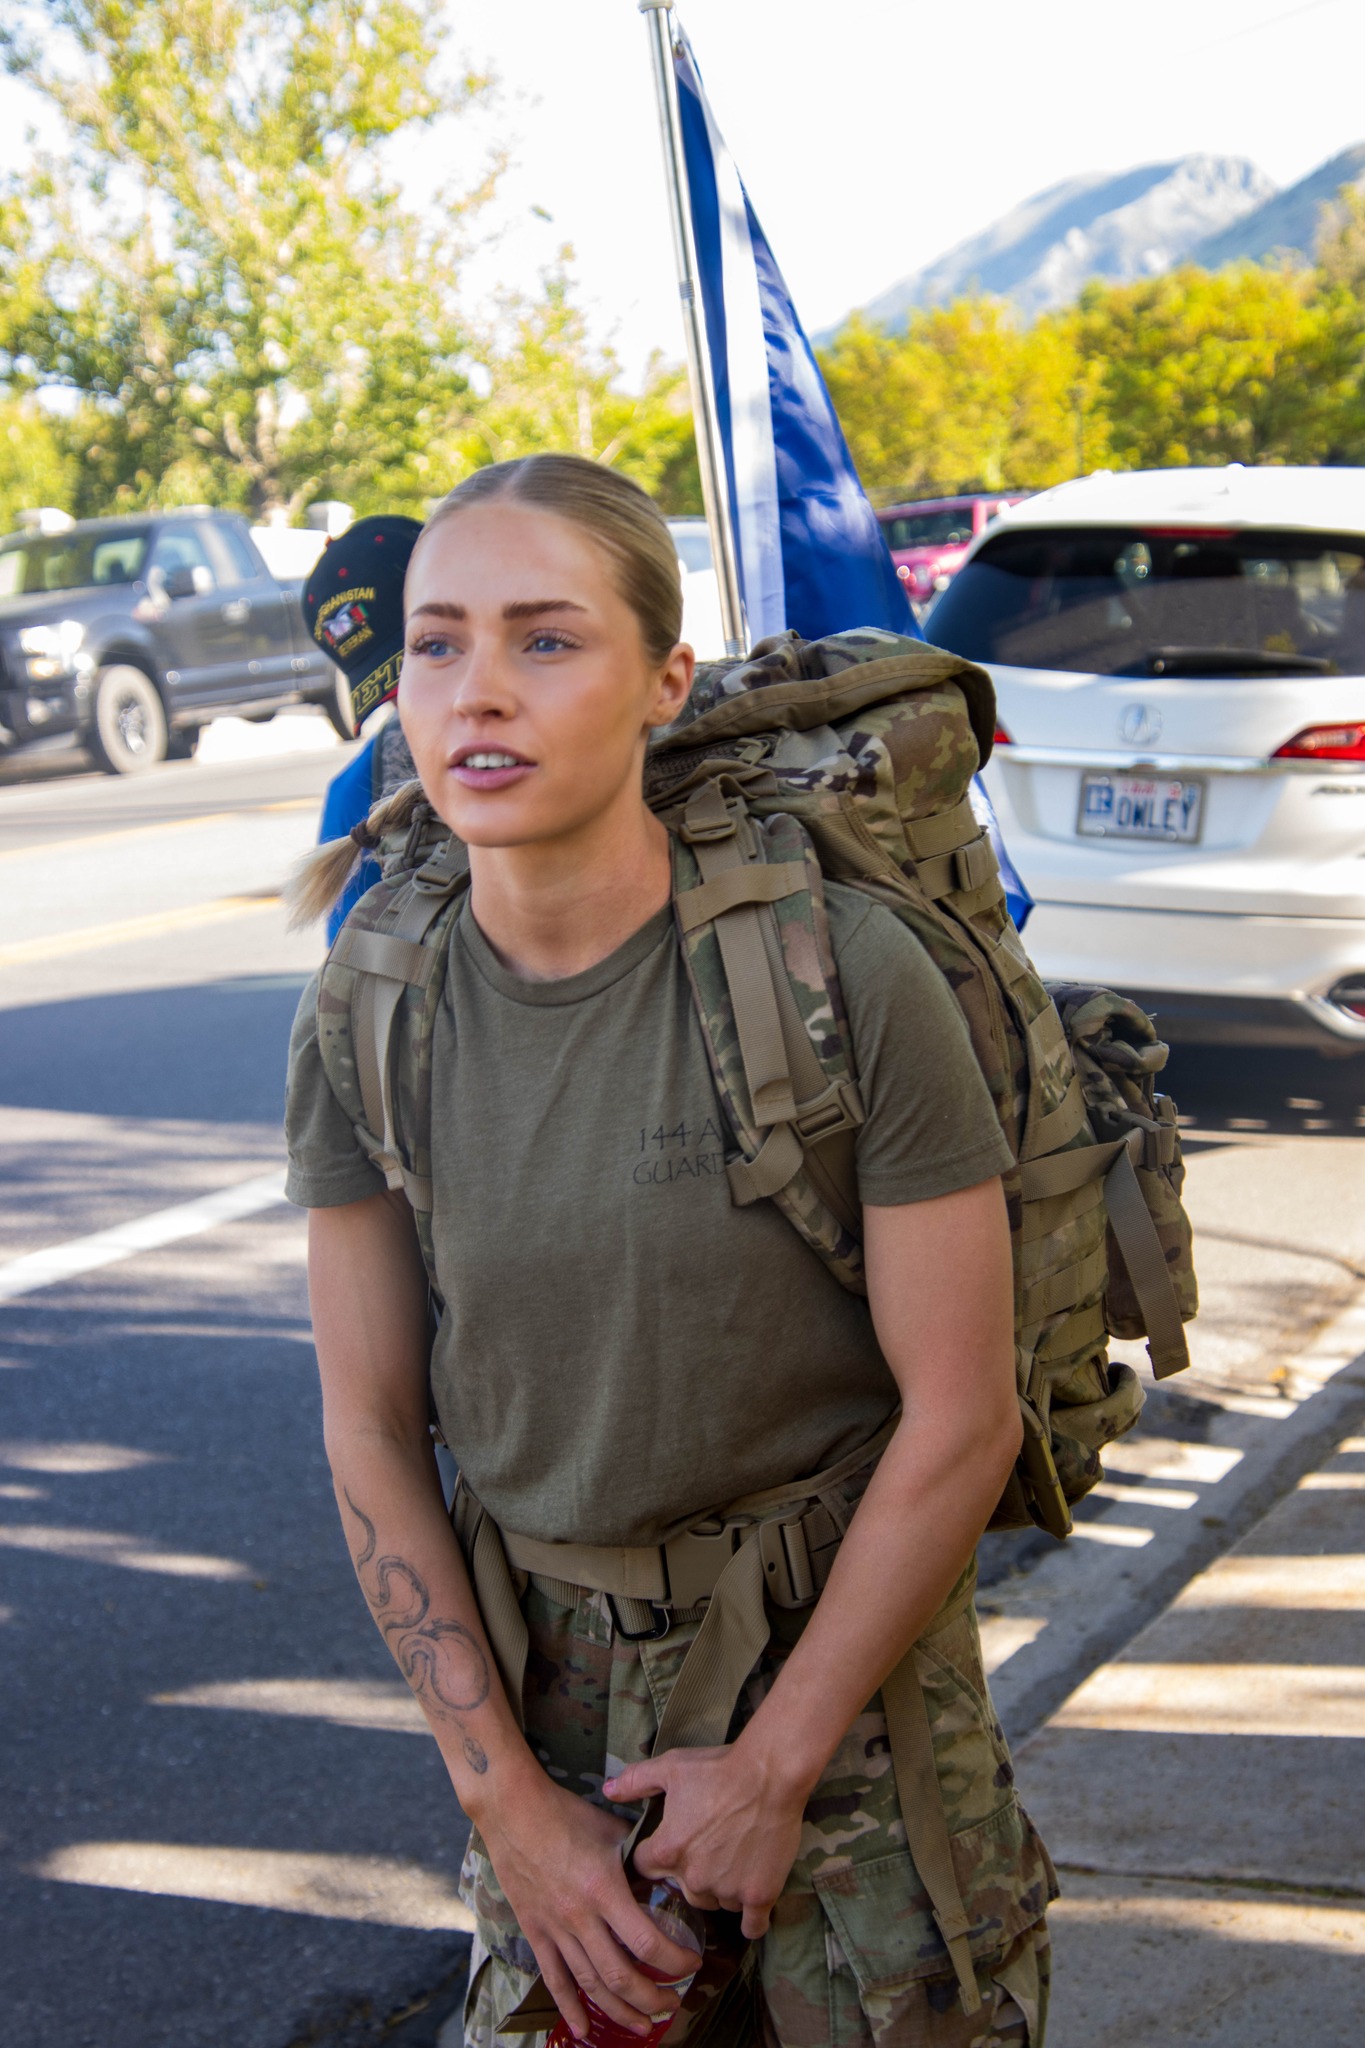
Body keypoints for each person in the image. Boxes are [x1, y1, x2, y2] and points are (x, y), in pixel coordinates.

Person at [284, 455, 1055, 2048]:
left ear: (662, 680)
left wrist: (773, 1768)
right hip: (541, 1716)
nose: (478, 689)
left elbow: (963, 1415)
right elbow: (368, 1430)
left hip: (848, 1693)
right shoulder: (368, 1009)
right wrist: (509, 1810)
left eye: (545, 638)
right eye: (436, 643)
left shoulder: (841, 969)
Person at [302, 514, 423, 940]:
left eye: (438, 649)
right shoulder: (358, 791)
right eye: (389, 691)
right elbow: (353, 962)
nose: (407, 700)